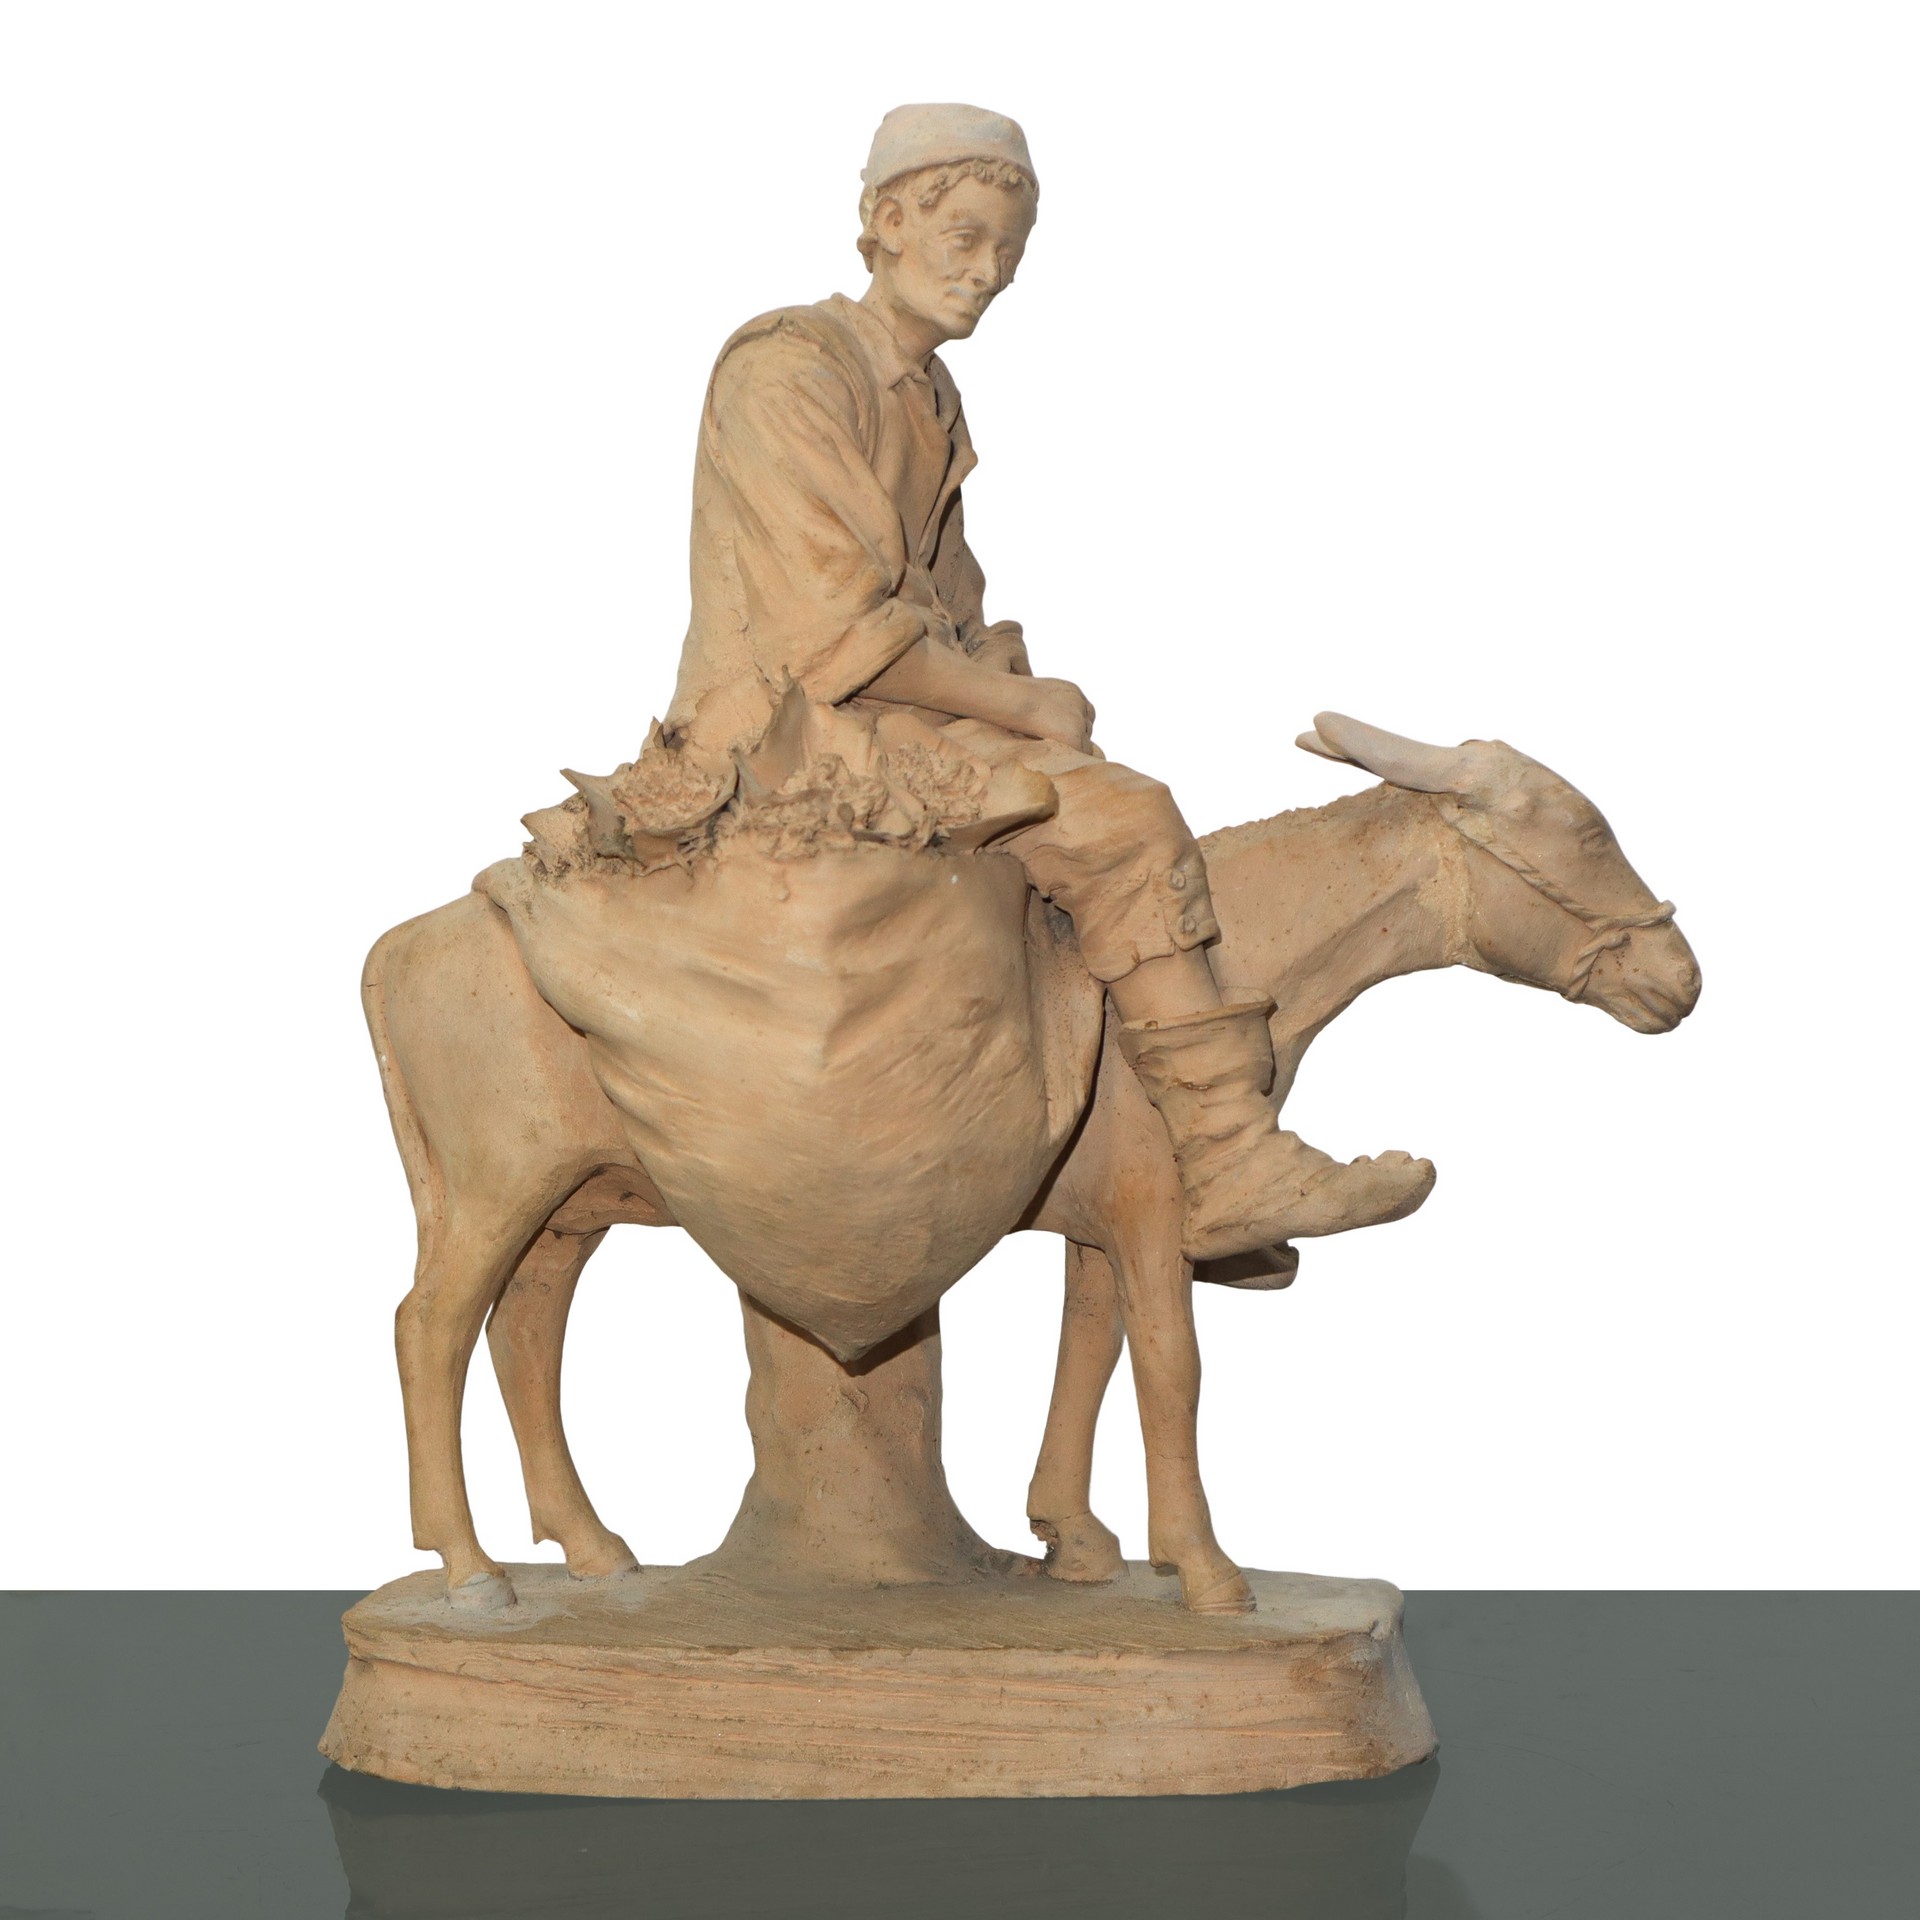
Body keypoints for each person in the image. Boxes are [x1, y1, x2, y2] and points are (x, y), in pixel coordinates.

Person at [662, 103, 1433, 1262]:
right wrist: (1019, 707)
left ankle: (1124, 1143)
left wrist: (1012, 679)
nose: (990, 273)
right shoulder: (789, 368)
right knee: (1124, 819)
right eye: (966, 238)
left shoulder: (929, 399)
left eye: (1010, 252)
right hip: (788, 725)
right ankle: (1225, 1147)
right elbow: (829, 624)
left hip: (886, 704)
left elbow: (947, 604)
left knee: (1079, 794)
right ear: (887, 220)